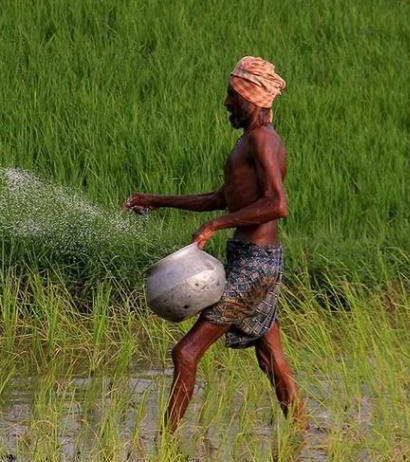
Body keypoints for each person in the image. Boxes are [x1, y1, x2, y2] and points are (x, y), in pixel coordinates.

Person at [124, 56, 305, 433]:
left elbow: (277, 204)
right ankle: (301, 431)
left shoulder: (263, 140)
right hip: (252, 260)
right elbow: (222, 197)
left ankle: (166, 446)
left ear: (250, 97)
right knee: (269, 356)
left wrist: (216, 225)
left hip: (254, 265)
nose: (226, 102)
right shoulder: (249, 140)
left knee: (185, 352)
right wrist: (157, 200)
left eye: (232, 95)